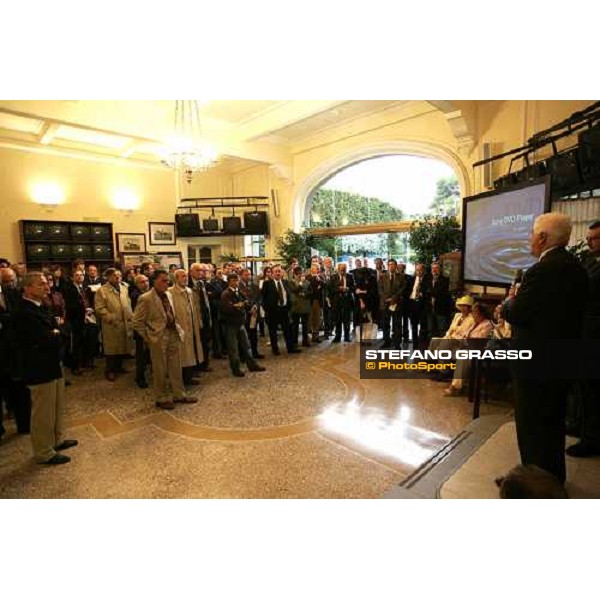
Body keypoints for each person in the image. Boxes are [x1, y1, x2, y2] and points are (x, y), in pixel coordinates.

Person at [502, 213, 588, 484]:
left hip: (535, 363)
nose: (529, 239)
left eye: (531, 233)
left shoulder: (541, 270)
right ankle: (552, 478)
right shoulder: (577, 267)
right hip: (561, 359)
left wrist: (507, 304)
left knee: (532, 426)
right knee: (552, 425)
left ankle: (532, 484)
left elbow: (518, 312)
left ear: (541, 237)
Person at [11, 273, 78, 465]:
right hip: (39, 368)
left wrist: (58, 331)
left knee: (56, 406)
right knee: (43, 412)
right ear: (27, 288)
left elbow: (62, 329)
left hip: (53, 363)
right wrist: (57, 331)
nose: (47, 287)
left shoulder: (42, 307)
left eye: (47, 283)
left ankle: (56, 440)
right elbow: (45, 339)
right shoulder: (24, 312)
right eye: (41, 284)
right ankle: (43, 451)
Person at [133, 270, 197, 410]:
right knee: (160, 369)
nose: (166, 283)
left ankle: (179, 394)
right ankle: (161, 398)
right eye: (163, 280)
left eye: (167, 280)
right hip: (158, 337)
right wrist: (149, 337)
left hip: (172, 332)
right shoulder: (146, 298)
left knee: (175, 366)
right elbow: (137, 322)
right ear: (154, 280)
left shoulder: (168, 294)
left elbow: (170, 313)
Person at [566, 220, 600, 457]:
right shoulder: (587, 261)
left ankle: (592, 440)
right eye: (588, 238)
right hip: (583, 334)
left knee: (595, 391)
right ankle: (580, 425)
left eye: (594, 238)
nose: (589, 242)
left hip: (596, 337)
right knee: (583, 387)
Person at [443, 302, 494, 396]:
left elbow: (479, 340)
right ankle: (443, 372)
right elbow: (465, 334)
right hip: (467, 346)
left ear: (481, 314)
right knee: (446, 346)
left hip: (477, 351)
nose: (473, 314)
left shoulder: (487, 325)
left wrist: (465, 341)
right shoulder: (474, 323)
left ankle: (456, 387)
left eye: (475, 312)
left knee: (463, 356)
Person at [220, 273, 266, 377]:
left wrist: (247, 306)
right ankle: (236, 369)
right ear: (229, 282)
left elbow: (246, 302)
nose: (235, 282)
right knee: (233, 348)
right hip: (231, 324)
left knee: (246, 345)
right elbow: (226, 308)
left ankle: (252, 365)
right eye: (233, 281)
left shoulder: (239, 292)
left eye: (236, 280)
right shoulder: (225, 294)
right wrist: (238, 306)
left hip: (240, 323)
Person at [94, 268, 134, 381]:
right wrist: (110, 317)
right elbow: (99, 308)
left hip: (125, 321)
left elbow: (128, 303)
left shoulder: (124, 288)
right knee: (111, 349)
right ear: (108, 277)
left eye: (119, 275)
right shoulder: (101, 291)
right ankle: (110, 370)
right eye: (115, 275)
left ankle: (119, 367)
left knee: (122, 346)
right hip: (111, 324)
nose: (118, 277)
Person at [170, 269, 203, 387]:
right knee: (181, 354)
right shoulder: (170, 292)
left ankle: (189, 376)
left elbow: (195, 307)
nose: (186, 278)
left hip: (191, 325)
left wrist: (198, 322)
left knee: (190, 352)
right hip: (180, 327)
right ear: (176, 279)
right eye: (183, 276)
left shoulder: (189, 291)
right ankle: (180, 380)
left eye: (186, 276)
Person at [261, 265, 300, 355]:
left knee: (287, 330)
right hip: (272, 311)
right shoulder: (267, 284)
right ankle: (275, 349)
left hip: (284, 310)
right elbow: (263, 298)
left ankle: (290, 348)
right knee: (273, 331)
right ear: (272, 273)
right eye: (276, 271)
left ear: (281, 273)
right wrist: (266, 309)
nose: (278, 273)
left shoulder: (286, 282)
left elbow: (290, 293)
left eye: (279, 271)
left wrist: (289, 306)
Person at [378, 259, 406, 348]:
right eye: (390, 265)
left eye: (393, 265)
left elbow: (402, 288)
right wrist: (386, 299)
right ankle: (386, 342)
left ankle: (397, 344)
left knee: (397, 325)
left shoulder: (401, 276)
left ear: (396, 266)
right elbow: (380, 289)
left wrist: (394, 298)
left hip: (397, 303)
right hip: (385, 303)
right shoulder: (382, 276)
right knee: (385, 324)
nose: (391, 266)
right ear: (387, 266)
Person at [129, 274, 151, 388]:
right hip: (141, 329)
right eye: (142, 282)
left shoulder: (150, 293)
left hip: (152, 328)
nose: (146, 283)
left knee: (150, 354)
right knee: (141, 355)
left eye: (147, 280)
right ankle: (140, 377)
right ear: (137, 284)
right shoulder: (136, 295)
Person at [238, 268, 264, 359]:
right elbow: (239, 300)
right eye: (246, 275)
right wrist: (248, 307)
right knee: (243, 335)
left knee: (253, 334)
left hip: (254, 313)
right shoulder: (238, 287)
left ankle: (255, 352)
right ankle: (243, 355)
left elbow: (259, 298)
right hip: (244, 313)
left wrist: (256, 306)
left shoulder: (254, 286)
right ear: (241, 276)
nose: (248, 276)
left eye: (249, 274)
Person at [330, 263, 355, 343]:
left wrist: (348, 289)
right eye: (341, 269)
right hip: (337, 301)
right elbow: (331, 288)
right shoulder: (333, 277)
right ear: (338, 269)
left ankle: (347, 336)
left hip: (347, 300)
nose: (343, 270)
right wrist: (339, 289)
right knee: (337, 319)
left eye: (344, 269)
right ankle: (337, 336)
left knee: (346, 320)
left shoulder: (350, 276)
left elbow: (353, 287)